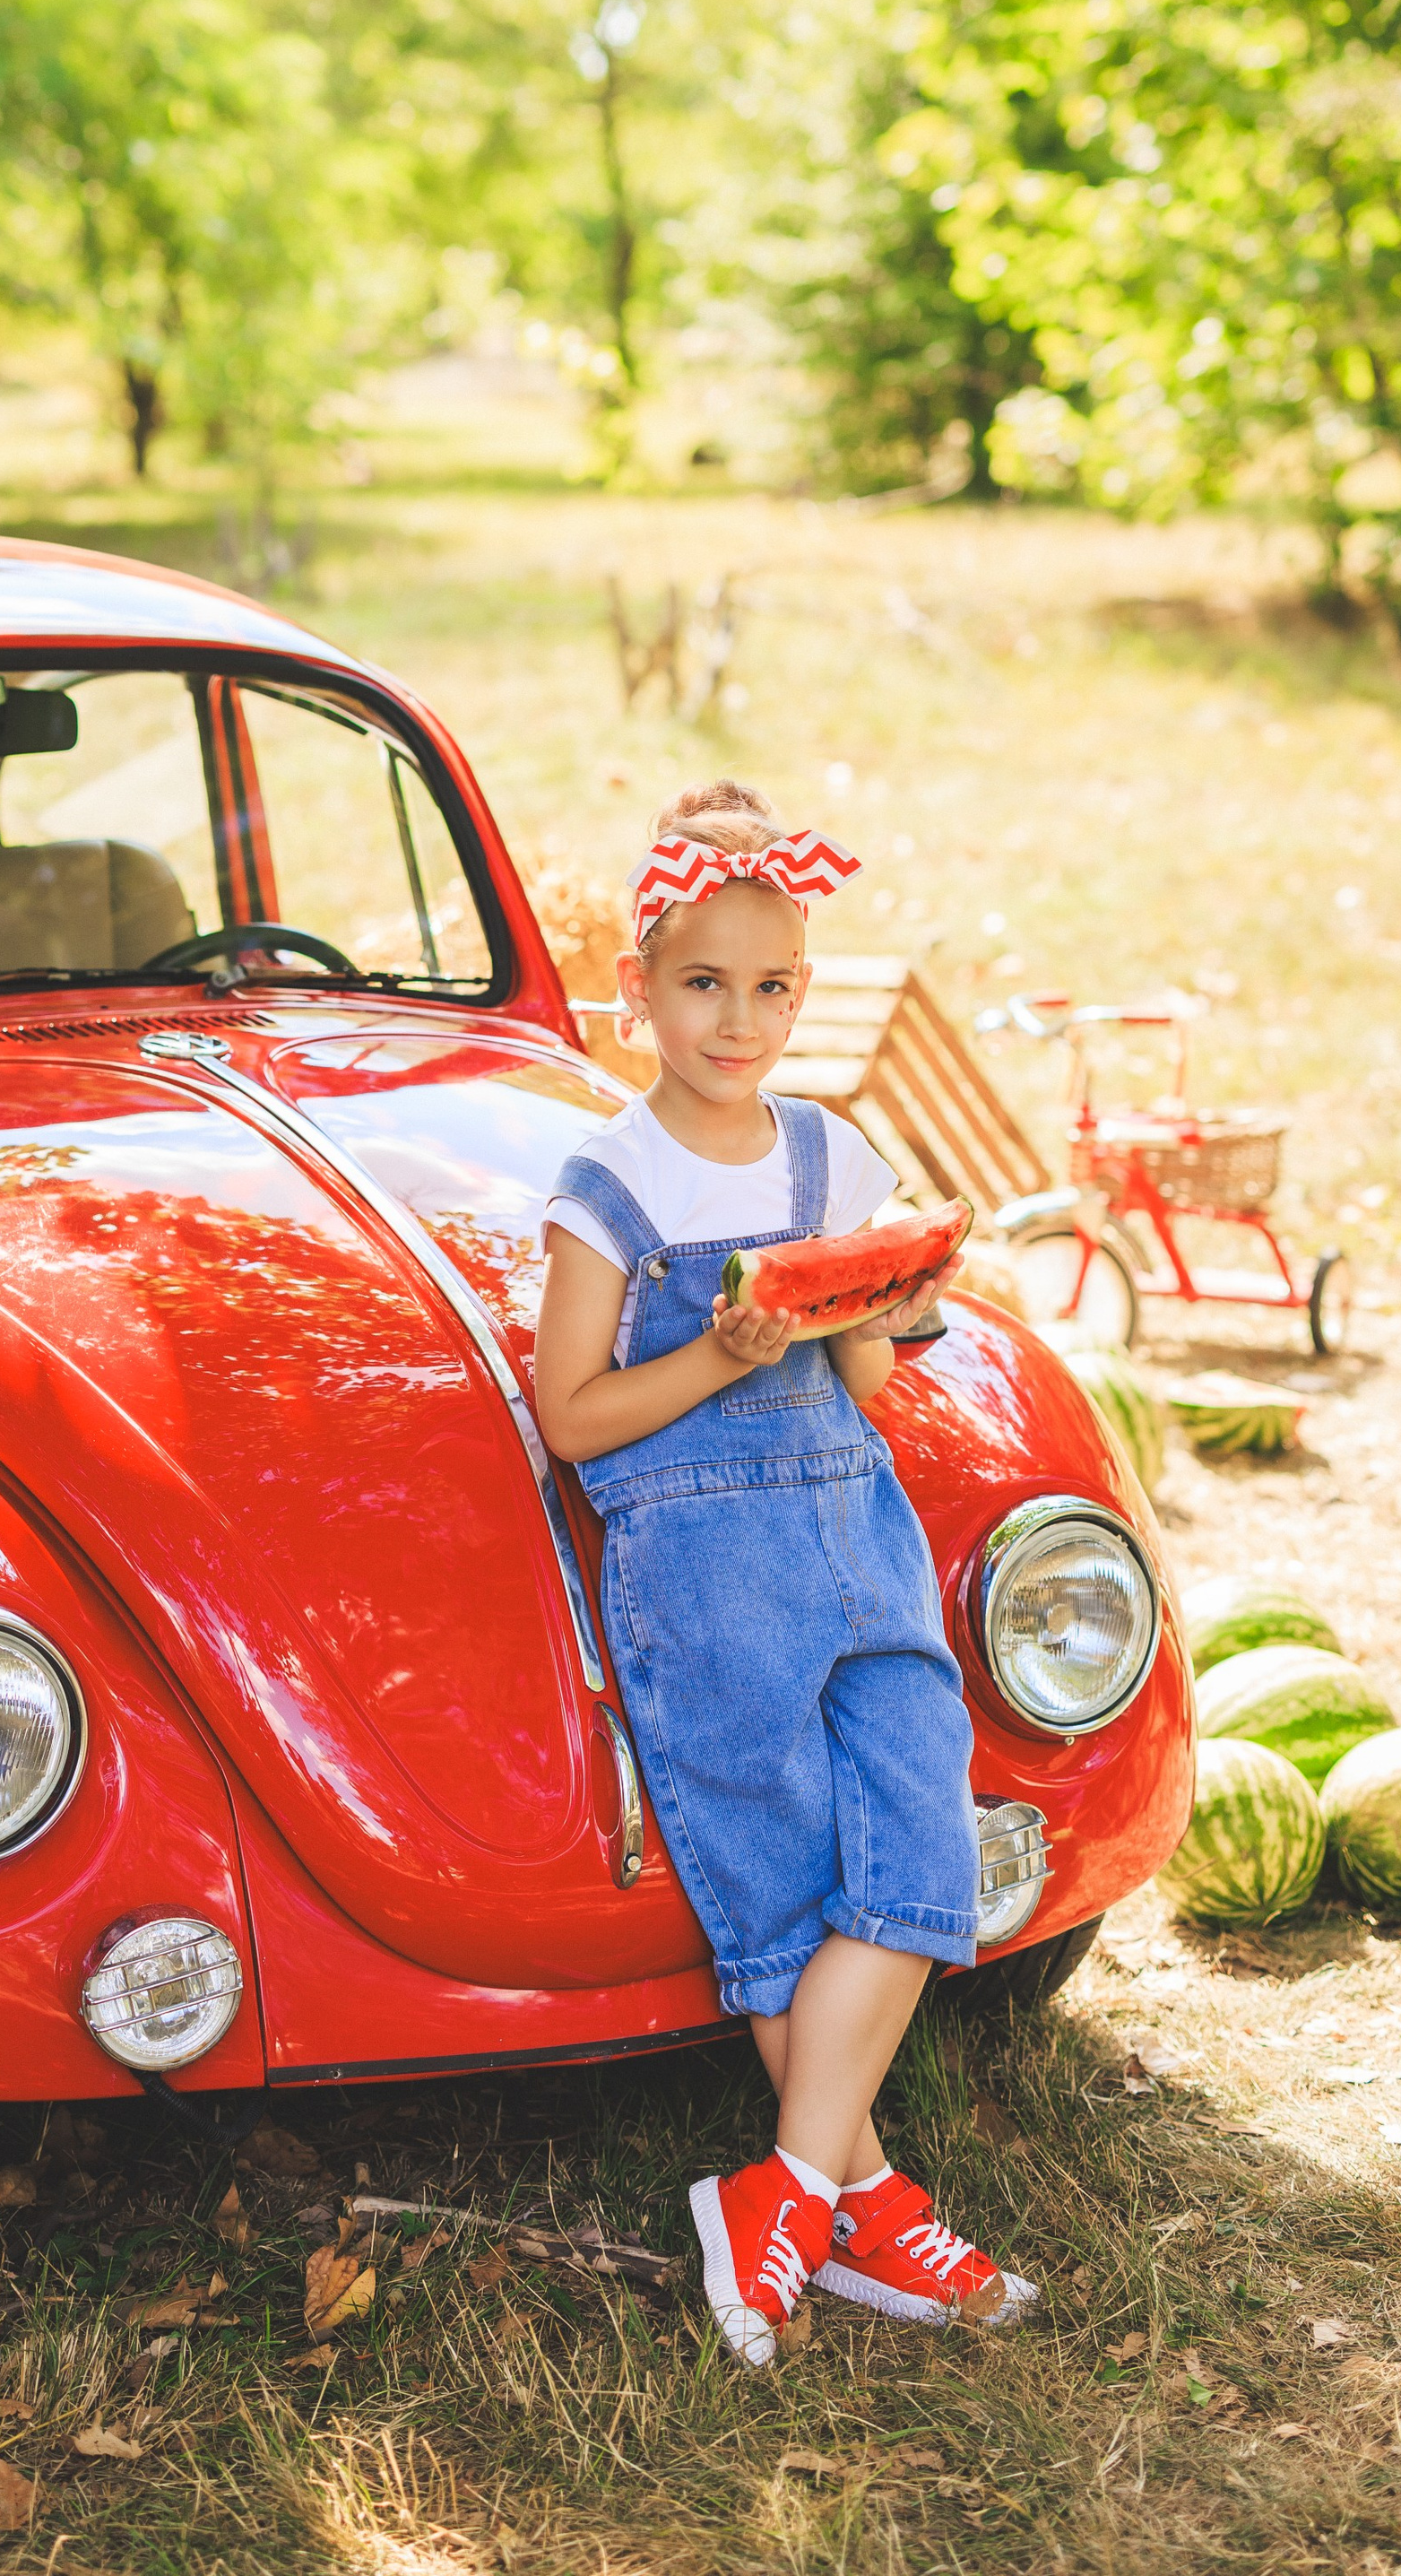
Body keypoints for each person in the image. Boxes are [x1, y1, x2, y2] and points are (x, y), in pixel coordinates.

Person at [532, 777, 1034, 2368]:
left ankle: (786, 2189)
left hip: (855, 1530)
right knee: (776, 1882)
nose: (736, 1021)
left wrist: (883, 1299)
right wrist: (725, 1350)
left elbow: (868, 1379)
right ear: (639, 988)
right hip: (702, 1564)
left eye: (769, 986)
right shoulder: (611, 1183)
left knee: (921, 1836)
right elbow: (571, 1416)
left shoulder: (833, 1159)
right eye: (701, 983)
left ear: (802, 991)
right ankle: (863, 2203)